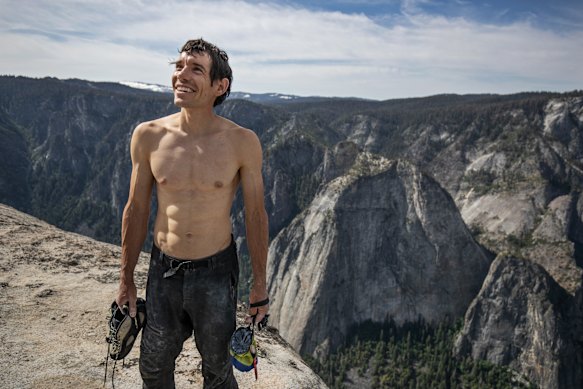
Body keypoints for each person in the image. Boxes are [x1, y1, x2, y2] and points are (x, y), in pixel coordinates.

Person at [115, 38, 269, 389]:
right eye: (179, 66)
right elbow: (136, 209)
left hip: (216, 272)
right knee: (153, 368)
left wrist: (259, 286)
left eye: (196, 68)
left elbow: (256, 214)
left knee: (217, 369)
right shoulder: (148, 136)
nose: (181, 75)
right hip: (163, 269)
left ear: (220, 86)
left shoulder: (242, 142)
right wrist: (125, 279)